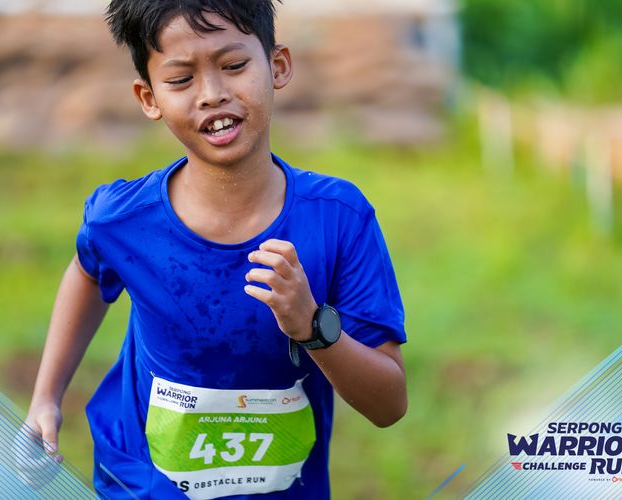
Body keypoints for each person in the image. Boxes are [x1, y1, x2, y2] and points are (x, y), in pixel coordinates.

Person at [23, 1, 408, 498]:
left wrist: (312, 328)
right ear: (149, 97)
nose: (212, 94)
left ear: (278, 66)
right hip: (141, 484)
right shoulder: (121, 218)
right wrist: (46, 397)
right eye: (181, 79)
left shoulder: (338, 219)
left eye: (234, 65)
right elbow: (88, 270)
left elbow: (389, 405)